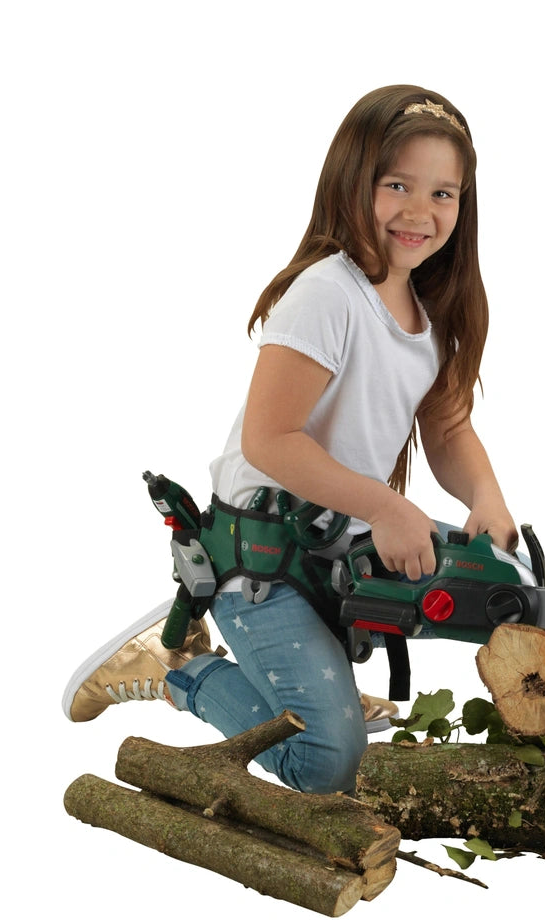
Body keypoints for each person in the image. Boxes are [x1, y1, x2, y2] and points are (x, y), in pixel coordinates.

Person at [62, 85, 517, 795]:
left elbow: (449, 426)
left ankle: (317, 682)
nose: (420, 211)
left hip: (336, 541)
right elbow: (270, 439)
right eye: (396, 184)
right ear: (352, 178)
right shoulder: (328, 293)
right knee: (326, 763)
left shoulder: (431, 307)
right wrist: (390, 508)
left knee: (490, 580)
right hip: (266, 561)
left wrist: (486, 495)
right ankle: (178, 671)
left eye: (443, 193)